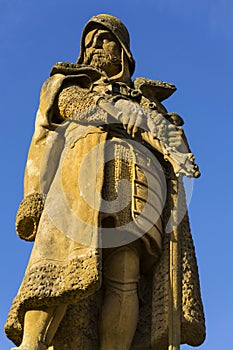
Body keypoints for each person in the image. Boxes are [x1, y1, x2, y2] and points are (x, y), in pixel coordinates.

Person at [5, 14, 205, 350]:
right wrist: (130, 114)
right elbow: (81, 108)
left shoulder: (150, 103)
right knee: (56, 263)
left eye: (103, 39)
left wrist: (169, 137)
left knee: (125, 272)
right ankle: (32, 345)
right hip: (81, 172)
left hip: (140, 181)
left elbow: (177, 145)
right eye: (88, 42)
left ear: (124, 50)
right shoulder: (71, 83)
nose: (93, 46)